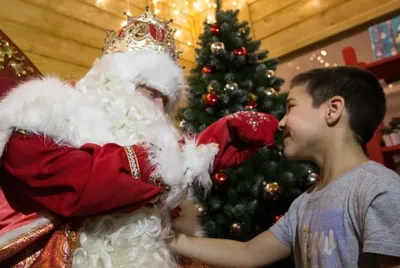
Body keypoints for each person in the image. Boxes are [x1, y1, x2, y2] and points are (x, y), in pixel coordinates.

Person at [0, 8, 221, 268]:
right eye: (151, 93)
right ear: (112, 82)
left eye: (167, 102)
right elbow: (74, 184)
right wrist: (173, 160)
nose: (159, 112)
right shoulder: (48, 112)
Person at [169, 66, 400, 267]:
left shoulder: (379, 189)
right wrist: (167, 238)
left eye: (291, 106)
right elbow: (248, 253)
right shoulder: (304, 204)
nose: (280, 123)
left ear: (333, 109)